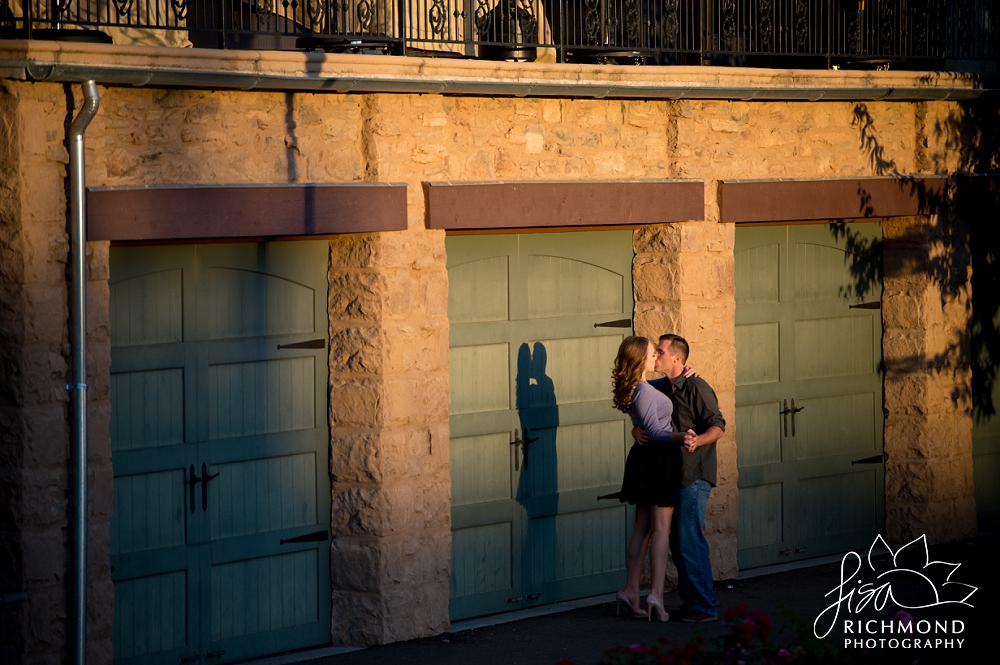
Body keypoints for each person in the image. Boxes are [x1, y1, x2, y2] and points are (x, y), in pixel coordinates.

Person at [635, 334, 725, 623]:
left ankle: (705, 606)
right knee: (676, 540)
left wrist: (698, 439)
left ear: (677, 358)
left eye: (660, 352)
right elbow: (634, 399)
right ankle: (693, 602)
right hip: (671, 474)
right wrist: (635, 428)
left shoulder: (697, 386)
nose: (656, 356)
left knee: (689, 539)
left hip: (694, 474)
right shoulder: (661, 386)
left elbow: (718, 426)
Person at [612, 336, 688, 622]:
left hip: (645, 460)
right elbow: (656, 432)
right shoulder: (642, 390)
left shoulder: (640, 386)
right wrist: (683, 436)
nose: (656, 356)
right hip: (659, 459)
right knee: (660, 530)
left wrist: (683, 375)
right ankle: (655, 594)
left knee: (642, 528)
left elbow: (646, 405)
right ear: (640, 360)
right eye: (651, 353)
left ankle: (631, 590)